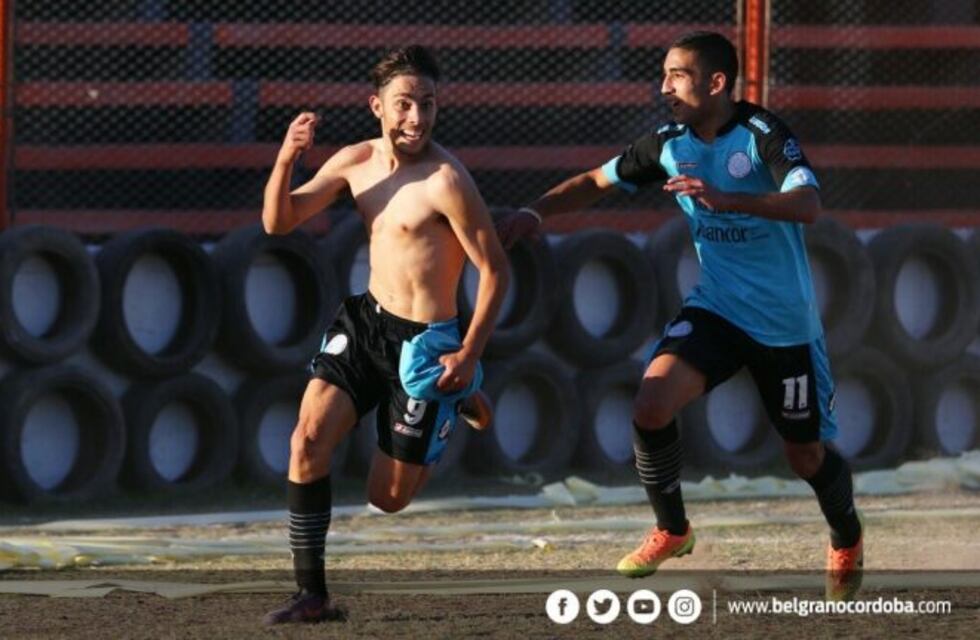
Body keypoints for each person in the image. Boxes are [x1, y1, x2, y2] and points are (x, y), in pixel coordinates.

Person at [496, 31, 863, 601]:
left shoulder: (763, 134)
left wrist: (726, 197)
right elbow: (596, 180)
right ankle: (673, 530)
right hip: (715, 309)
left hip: (783, 324)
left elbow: (809, 204)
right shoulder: (668, 142)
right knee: (650, 402)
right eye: (662, 73)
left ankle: (846, 535)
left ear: (716, 83)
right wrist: (535, 210)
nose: (663, 86)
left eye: (677, 75)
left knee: (804, 454)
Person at [261, 45, 509, 624]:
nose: (417, 118)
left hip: (428, 348)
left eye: (428, 105)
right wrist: (285, 160)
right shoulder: (354, 161)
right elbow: (278, 221)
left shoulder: (448, 179)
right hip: (365, 323)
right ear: (377, 106)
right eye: (404, 105)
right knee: (306, 442)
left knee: (386, 499)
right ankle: (312, 595)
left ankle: (460, 395)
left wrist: (468, 354)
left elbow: (496, 269)